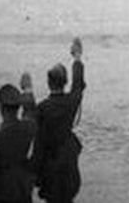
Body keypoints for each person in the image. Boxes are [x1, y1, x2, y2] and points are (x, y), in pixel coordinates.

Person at [32, 38, 86, 203]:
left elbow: (38, 144)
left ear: (48, 83)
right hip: (69, 170)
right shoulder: (71, 102)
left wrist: (33, 174)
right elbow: (78, 84)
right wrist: (77, 57)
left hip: (50, 172)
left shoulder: (41, 108)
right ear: (65, 82)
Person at [0, 83, 36, 203]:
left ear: (1, 107)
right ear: (18, 107)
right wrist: (27, 90)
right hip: (23, 193)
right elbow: (30, 111)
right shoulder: (29, 128)